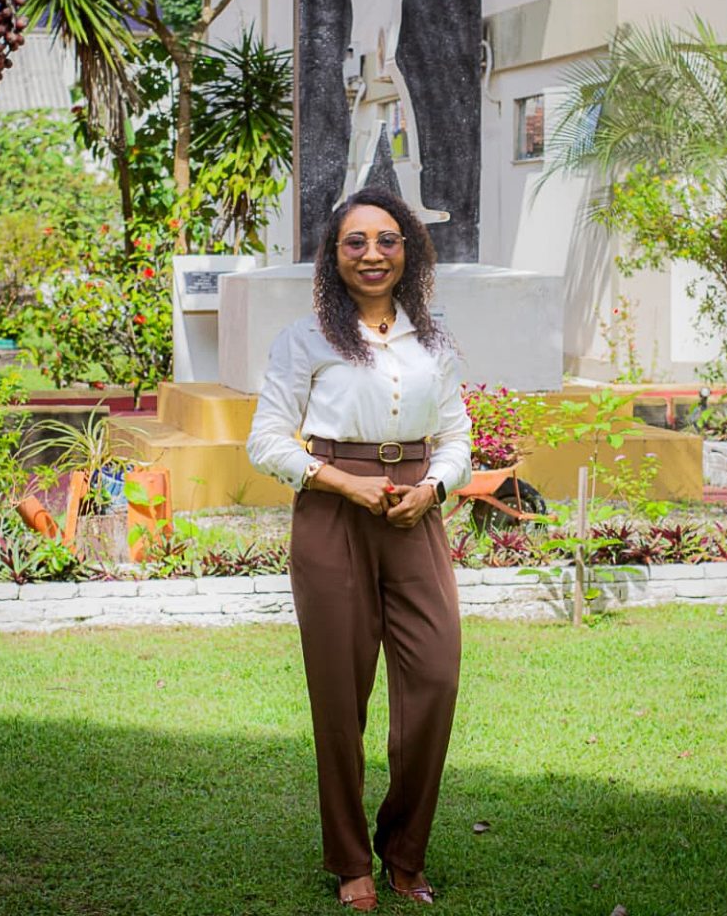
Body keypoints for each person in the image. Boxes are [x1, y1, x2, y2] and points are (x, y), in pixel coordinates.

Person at [246, 188, 471, 911]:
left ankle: (405, 850)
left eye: (386, 240)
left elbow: (458, 437)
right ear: (333, 254)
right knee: (340, 700)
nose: (372, 254)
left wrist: (433, 487)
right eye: (355, 242)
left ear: (408, 249)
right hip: (331, 513)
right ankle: (350, 860)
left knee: (434, 677)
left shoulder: (432, 341)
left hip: (415, 512)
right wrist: (345, 483)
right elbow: (266, 440)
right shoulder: (305, 337)